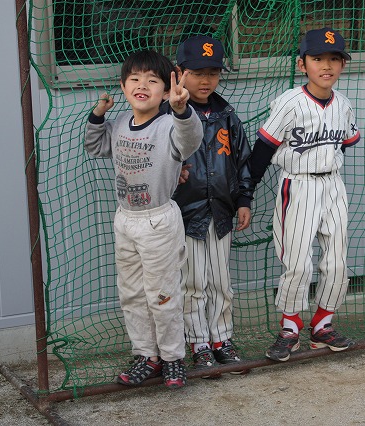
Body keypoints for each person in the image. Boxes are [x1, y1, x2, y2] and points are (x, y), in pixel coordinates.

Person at [84, 50, 203, 388]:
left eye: (152, 81)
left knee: (162, 295)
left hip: (158, 221)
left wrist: (181, 109)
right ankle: (146, 356)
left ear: (165, 91)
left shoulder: (169, 126)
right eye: (134, 79)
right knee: (132, 294)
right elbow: (95, 146)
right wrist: (98, 114)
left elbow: (191, 140)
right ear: (123, 86)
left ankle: (172, 358)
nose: (142, 86)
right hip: (126, 220)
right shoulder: (121, 123)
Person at [249, 28, 360, 362]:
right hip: (298, 184)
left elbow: (344, 143)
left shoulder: (344, 104)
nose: (326, 65)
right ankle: (290, 327)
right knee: (297, 262)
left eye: (334, 59)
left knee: (337, 261)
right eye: (318, 58)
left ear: (342, 65)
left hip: (333, 184)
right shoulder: (290, 102)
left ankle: (323, 324)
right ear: (302, 64)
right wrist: (244, 194)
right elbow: (262, 149)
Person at [171, 35, 253, 376]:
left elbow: (243, 161)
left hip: (220, 211)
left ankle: (222, 339)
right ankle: (198, 343)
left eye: (213, 73)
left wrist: (244, 200)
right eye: (197, 72)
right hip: (184, 214)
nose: (206, 80)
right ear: (179, 73)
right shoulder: (168, 115)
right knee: (192, 283)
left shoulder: (226, 115)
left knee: (221, 282)